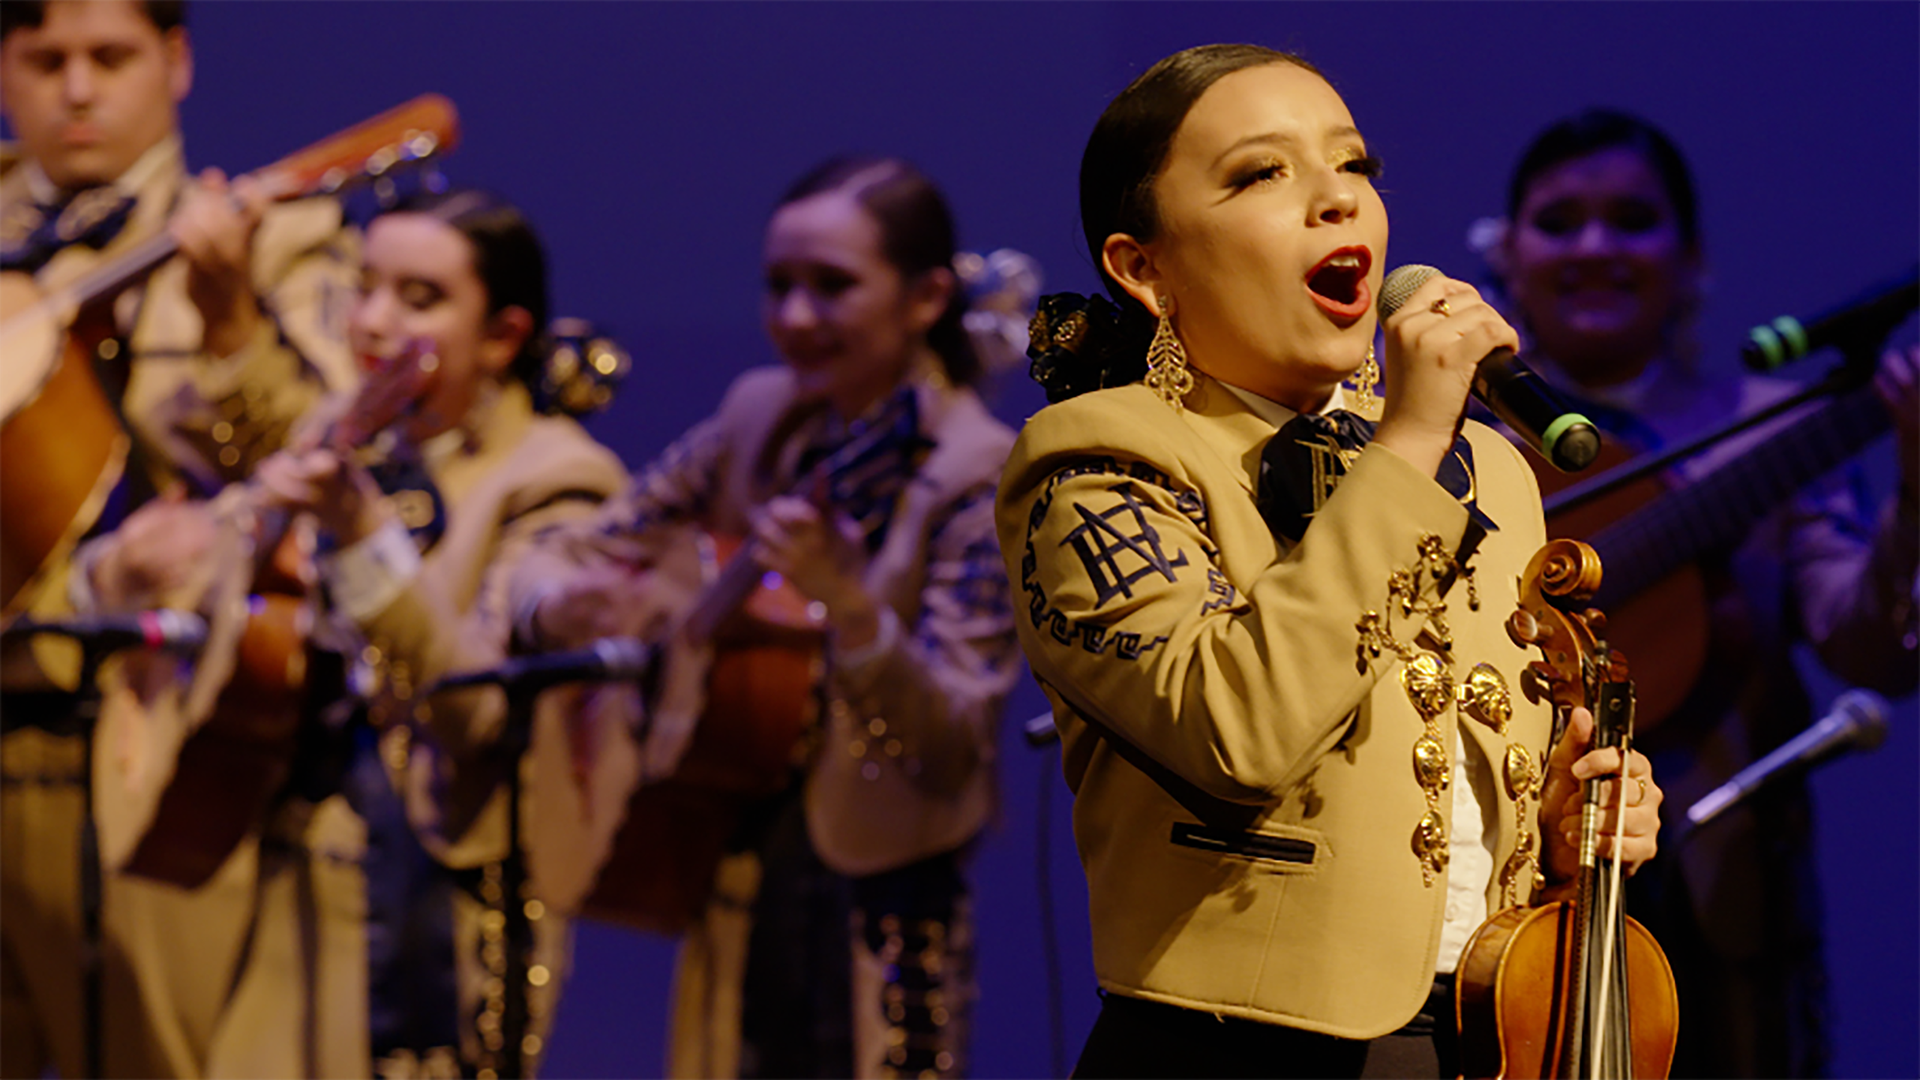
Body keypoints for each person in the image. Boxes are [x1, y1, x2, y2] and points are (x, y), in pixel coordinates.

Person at [995, 44, 1665, 1078]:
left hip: (1484, 1033)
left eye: (1353, 165)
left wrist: (1568, 826)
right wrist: (1406, 444)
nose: (1334, 201)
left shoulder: (1486, 464)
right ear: (1143, 268)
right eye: (1263, 174)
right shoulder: (1094, 465)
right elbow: (1237, 731)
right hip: (1238, 1051)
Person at [518, 156, 1020, 1080]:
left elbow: (953, 738)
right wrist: (570, 606)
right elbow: (580, 547)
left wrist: (853, 606)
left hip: (879, 905)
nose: (794, 318)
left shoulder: (976, 472)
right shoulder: (762, 417)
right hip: (732, 869)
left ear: (925, 298)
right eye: (778, 286)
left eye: (831, 288)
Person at [1479, 108, 1920, 1080]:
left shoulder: (1772, 428)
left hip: (1724, 903)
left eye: (1633, 219)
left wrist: (1917, 499)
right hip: (1504, 908)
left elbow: (1869, 646)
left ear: (1690, 259)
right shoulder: (1461, 449)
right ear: (1507, 254)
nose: (1596, 246)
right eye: (1560, 221)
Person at [0, 0, 355, 1077]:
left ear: (178, 61)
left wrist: (232, 318)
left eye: (110, 57)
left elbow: (331, 461)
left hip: (146, 746)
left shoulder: (279, 234)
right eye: (43, 58)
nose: (77, 89)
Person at [218, 187, 629, 1079]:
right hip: (290, 873)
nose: (371, 321)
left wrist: (362, 536)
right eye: (365, 286)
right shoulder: (345, 432)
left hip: (444, 916)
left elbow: (473, 713)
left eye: (419, 298)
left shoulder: (559, 479)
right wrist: (233, 542)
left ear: (502, 337)